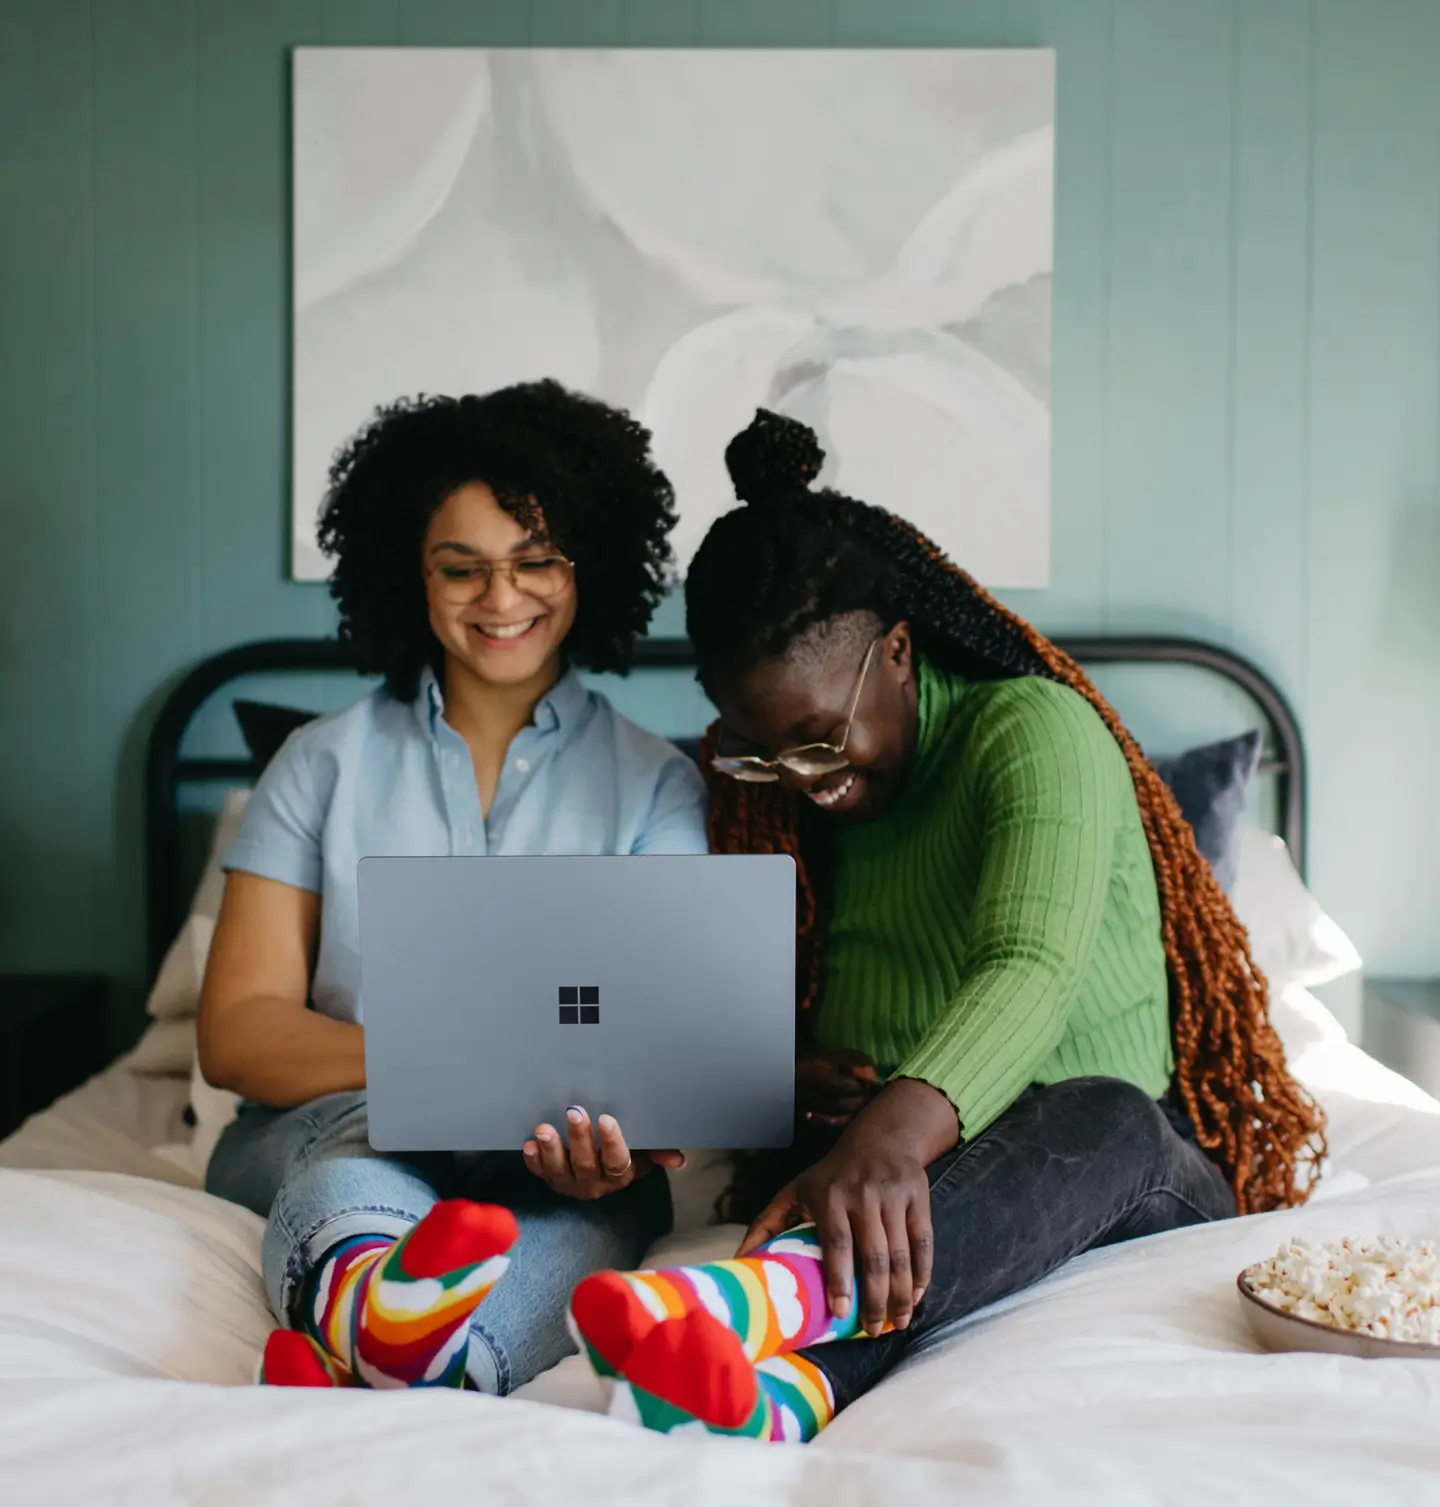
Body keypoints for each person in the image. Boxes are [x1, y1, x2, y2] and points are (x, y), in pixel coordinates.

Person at [566, 409, 1326, 1443]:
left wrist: (886, 1134)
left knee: (1100, 1110)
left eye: (821, 742)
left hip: (1123, 1166)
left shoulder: (1034, 731)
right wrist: (784, 1078)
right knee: (886, 1186)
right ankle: (783, 1396)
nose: (807, 785)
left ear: (898, 651)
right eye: (761, 752)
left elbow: (1029, 966)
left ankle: (758, 1304)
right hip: (930, 1172)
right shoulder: (787, 801)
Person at [201, 382, 707, 1394]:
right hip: (345, 1114)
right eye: (461, 568)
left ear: (587, 569)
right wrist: (437, 1073)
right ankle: (389, 1320)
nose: (502, 598)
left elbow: (666, 1048)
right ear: (412, 574)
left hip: (553, 1152)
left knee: (600, 1211)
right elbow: (237, 1034)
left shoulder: (656, 782)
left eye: (536, 562)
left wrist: (615, 1139)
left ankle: (406, 1352)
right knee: (354, 1146)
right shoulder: (318, 764)